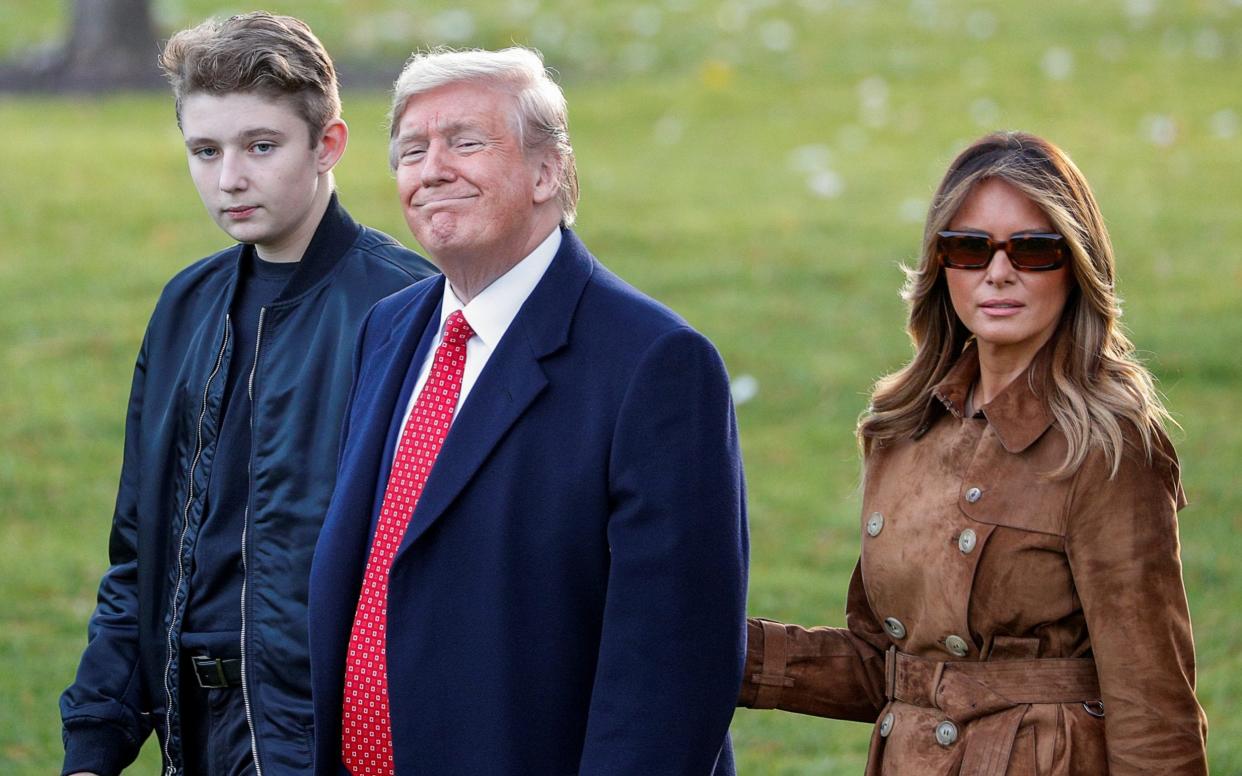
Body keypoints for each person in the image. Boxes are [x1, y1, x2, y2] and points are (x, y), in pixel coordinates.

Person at [307, 46, 748, 775]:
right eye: (412, 150)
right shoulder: (388, 330)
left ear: (550, 172)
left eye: (466, 142)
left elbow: (672, 667)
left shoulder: (656, 364)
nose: (433, 168)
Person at [739, 132, 1208, 775]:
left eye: (1034, 249)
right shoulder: (903, 429)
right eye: (969, 247)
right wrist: (722, 651)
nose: (998, 271)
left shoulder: (1105, 447)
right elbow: (886, 667)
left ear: (1076, 264)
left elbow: (1155, 709)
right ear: (942, 265)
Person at [59, 13, 435, 776]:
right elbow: (138, 554)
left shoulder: (407, 311)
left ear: (327, 144)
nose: (230, 178)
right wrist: (95, 740)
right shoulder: (184, 308)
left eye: (261, 146)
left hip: (328, 740)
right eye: (205, 150)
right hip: (192, 733)